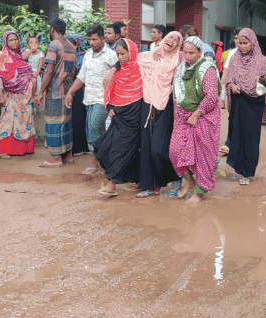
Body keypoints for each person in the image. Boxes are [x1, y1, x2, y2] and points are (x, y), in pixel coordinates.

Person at [170, 37, 221, 203]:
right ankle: (189, 181)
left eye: (192, 53)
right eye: (185, 52)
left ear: (200, 52)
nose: (188, 56)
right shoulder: (182, 68)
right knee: (176, 151)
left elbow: (212, 96)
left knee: (202, 156)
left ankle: (200, 191)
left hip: (204, 117)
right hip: (184, 116)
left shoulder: (207, 69)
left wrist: (197, 114)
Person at [65, 25, 117, 175]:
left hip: (104, 100)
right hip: (89, 99)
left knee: (93, 129)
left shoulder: (111, 55)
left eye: (94, 39)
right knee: (97, 132)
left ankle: (96, 161)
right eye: (89, 39)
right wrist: (70, 92)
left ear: (103, 39)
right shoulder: (87, 54)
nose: (92, 42)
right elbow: (82, 77)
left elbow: (119, 76)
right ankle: (105, 161)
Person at [136, 31, 183, 197]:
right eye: (170, 37)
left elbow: (180, 87)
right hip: (147, 103)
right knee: (147, 147)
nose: (171, 40)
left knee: (159, 149)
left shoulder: (177, 63)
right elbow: (127, 59)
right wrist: (112, 69)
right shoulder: (147, 57)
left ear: (179, 45)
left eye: (176, 39)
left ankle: (176, 177)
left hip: (166, 106)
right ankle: (152, 186)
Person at [93, 39, 143, 196]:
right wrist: (109, 106)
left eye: (123, 54)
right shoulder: (117, 70)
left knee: (119, 149)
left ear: (132, 52)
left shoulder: (141, 68)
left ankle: (112, 184)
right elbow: (109, 89)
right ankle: (138, 178)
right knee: (104, 146)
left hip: (135, 115)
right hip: (118, 115)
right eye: (118, 54)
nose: (120, 57)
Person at [226, 28, 266, 185]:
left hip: (254, 103)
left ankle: (248, 171)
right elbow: (228, 80)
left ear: (253, 43)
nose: (242, 46)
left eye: (246, 43)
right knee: (237, 135)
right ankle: (239, 169)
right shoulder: (234, 59)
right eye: (240, 43)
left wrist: (264, 80)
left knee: (251, 137)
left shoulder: (261, 60)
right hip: (239, 100)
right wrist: (232, 86)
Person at [34, 18, 77, 167]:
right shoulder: (71, 46)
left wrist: (40, 92)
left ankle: (57, 158)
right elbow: (72, 71)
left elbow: (49, 71)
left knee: (53, 123)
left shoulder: (53, 46)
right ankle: (68, 155)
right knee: (66, 123)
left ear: (52, 29)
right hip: (67, 91)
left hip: (55, 92)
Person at [0, 31, 36, 158]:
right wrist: (0, 95)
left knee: (24, 120)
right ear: (5, 42)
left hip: (24, 96)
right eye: (11, 40)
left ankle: (23, 148)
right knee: (8, 120)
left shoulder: (20, 55)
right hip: (9, 95)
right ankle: (4, 150)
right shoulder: (1, 56)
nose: (14, 42)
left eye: (15, 39)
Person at [66, 34, 89, 155]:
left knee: (79, 116)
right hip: (69, 88)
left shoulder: (84, 56)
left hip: (80, 89)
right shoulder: (68, 56)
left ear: (77, 44)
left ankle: (80, 147)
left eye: (72, 43)